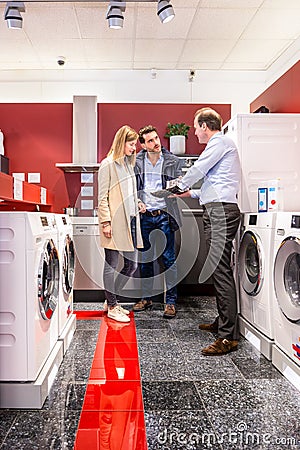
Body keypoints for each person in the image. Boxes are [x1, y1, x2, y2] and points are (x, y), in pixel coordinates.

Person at [175, 108, 241, 355]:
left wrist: (179, 185)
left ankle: (228, 338)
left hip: (221, 213)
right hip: (216, 209)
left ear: (205, 125)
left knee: (220, 271)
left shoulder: (219, 141)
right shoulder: (221, 146)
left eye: (195, 127)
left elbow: (199, 169)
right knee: (218, 269)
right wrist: (189, 193)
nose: (194, 132)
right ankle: (223, 322)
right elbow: (212, 186)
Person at [132, 125, 183, 319]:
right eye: (150, 141)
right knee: (146, 260)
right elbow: (132, 186)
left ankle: (170, 302)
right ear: (143, 145)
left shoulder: (172, 160)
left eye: (156, 138)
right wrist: (137, 200)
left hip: (164, 215)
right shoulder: (136, 162)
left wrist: (176, 188)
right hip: (144, 216)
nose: (156, 143)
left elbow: (179, 184)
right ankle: (146, 298)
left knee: (168, 259)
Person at [98, 125, 145, 323]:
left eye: (135, 144)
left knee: (132, 265)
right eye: (131, 144)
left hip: (131, 221)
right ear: (121, 142)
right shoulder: (108, 164)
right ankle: (113, 306)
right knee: (111, 265)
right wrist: (106, 222)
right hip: (115, 222)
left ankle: (112, 300)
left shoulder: (127, 165)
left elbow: (129, 194)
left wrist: (138, 203)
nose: (134, 148)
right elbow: (102, 197)